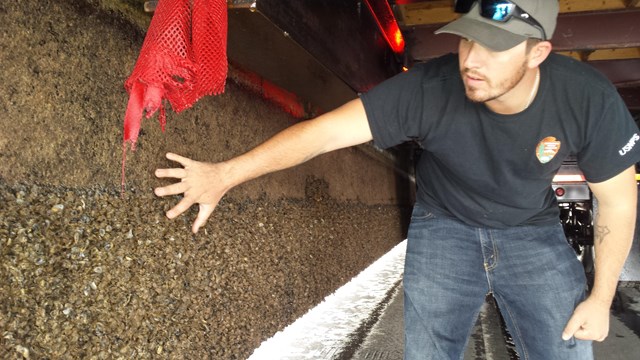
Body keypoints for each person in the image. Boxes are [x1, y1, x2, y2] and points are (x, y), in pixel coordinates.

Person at [154, 0, 640, 358]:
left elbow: (617, 202)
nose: (471, 59)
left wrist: (600, 298)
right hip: (444, 224)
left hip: (532, 230)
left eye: (495, 47)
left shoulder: (588, 99)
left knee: (568, 348)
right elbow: (323, 134)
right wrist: (224, 175)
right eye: (468, 38)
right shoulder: (430, 89)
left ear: (539, 53)